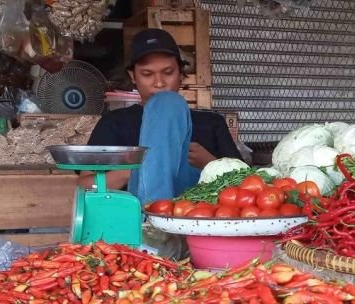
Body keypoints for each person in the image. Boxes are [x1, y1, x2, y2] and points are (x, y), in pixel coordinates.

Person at [81, 29, 242, 204]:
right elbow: (84, 184)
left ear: (181, 73)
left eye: (168, 72)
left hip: (199, 217)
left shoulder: (211, 123)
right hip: (135, 219)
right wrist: (136, 169)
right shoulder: (114, 123)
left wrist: (209, 164)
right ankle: (156, 212)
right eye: (147, 74)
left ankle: (157, 213)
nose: (159, 83)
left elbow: (245, 184)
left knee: (168, 103)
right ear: (133, 76)